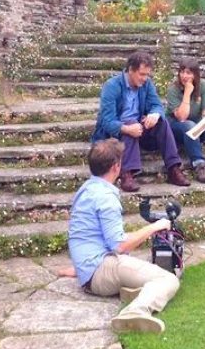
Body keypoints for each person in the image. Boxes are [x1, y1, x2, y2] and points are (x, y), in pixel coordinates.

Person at [68, 138, 181, 333]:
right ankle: (135, 312)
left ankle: (135, 292)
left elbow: (96, 235)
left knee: (140, 268)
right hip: (99, 272)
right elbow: (120, 246)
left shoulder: (87, 189)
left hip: (91, 270)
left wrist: (80, 267)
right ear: (116, 166)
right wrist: (156, 227)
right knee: (168, 279)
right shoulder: (105, 197)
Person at [92, 50, 191, 192]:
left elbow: (157, 105)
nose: (145, 78)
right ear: (131, 70)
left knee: (162, 123)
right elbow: (106, 121)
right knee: (131, 124)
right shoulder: (111, 86)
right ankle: (126, 174)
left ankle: (173, 169)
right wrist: (126, 128)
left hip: (138, 127)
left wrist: (155, 114)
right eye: (142, 74)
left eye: (147, 74)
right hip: (115, 134)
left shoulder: (146, 84)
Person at [166, 58, 205, 183]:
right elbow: (182, 117)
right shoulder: (173, 89)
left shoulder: (203, 85)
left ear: (195, 74)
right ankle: (199, 165)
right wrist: (187, 92)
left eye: (188, 73)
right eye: (182, 72)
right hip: (177, 126)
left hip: (197, 127)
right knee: (189, 124)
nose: (184, 76)